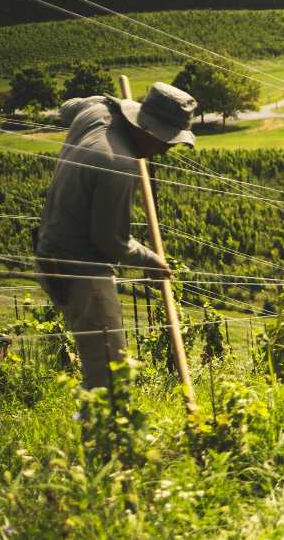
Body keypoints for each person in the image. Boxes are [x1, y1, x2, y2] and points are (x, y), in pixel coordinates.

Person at [35, 82, 197, 391]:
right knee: (109, 378)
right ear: (148, 131)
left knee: (103, 373)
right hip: (83, 273)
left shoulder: (98, 111)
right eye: (167, 141)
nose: (167, 149)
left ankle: (100, 432)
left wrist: (118, 105)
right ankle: (103, 437)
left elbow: (68, 107)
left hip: (50, 255)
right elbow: (111, 241)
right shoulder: (119, 164)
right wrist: (152, 260)